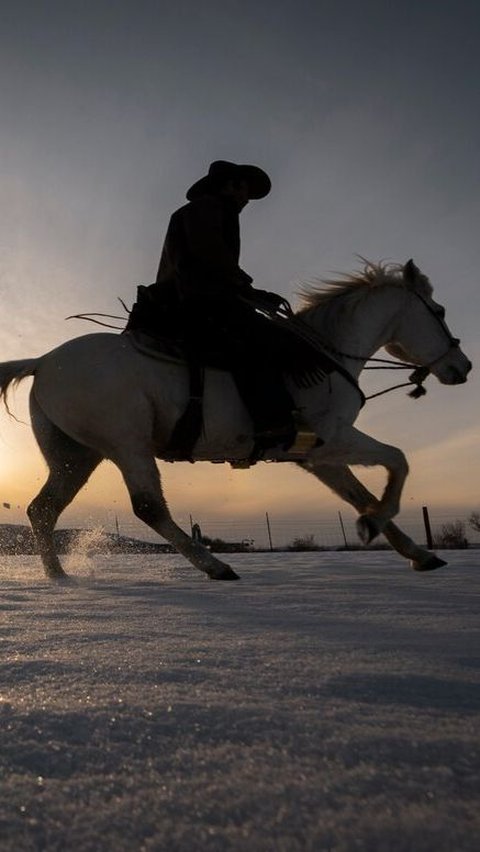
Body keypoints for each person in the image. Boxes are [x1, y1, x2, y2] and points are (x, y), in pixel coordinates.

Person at [130, 160, 297, 447]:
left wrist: (248, 289)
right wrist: (247, 288)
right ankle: (273, 423)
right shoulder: (208, 208)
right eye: (245, 190)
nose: (247, 199)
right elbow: (209, 253)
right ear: (230, 185)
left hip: (196, 294)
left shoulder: (209, 210)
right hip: (196, 298)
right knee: (260, 340)